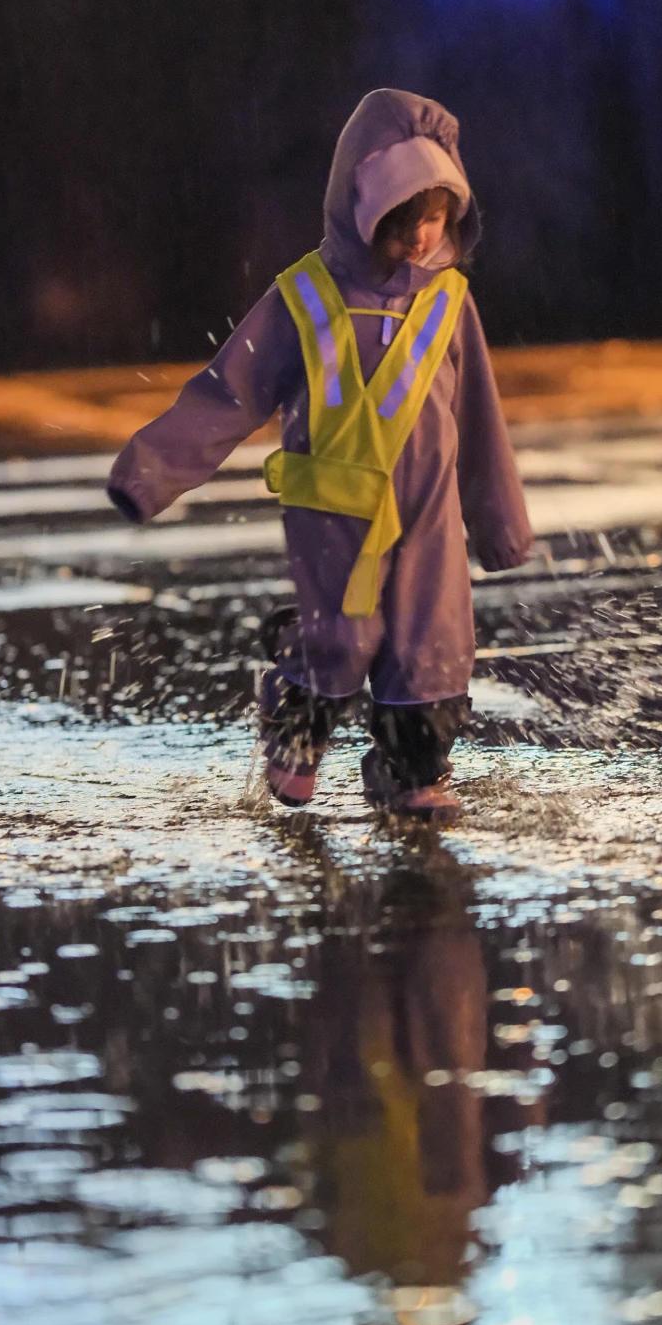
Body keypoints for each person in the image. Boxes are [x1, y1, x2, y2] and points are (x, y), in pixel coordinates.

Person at [107, 87, 533, 816]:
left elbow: (480, 422)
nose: (424, 237)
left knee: (431, 648)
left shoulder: (450, 303)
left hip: (426, 519)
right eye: (406, 222)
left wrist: (500, 526)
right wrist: (149, 472)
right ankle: (294, 733)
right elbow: (229, 393)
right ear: (364, 210)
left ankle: (411, 768)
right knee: (341, 639)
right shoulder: (302, 297)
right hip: (332, 517)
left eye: (436, 218)